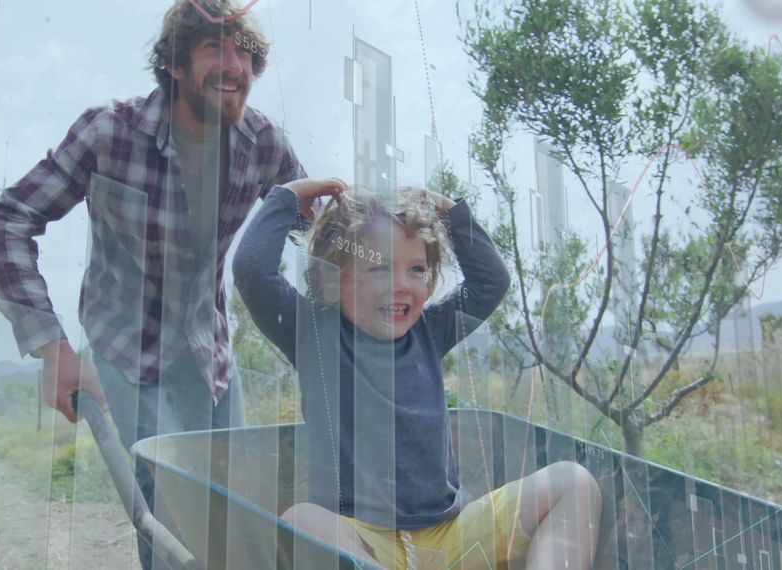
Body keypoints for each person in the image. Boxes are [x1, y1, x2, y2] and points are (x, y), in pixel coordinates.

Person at [0, 1, 304, 567]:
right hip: (127, 350)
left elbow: (317, 226)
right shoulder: (108, 132)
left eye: (245, 53)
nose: (234, 65)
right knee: (170, 512)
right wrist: (52, 347)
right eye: (214, 48)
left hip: (210, 352)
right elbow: (4, 224)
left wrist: (375, 245)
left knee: (236, 507)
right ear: (173, 64)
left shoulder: (264, 143)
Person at [233, 179, 602, 569]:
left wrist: (447, 212)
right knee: (301, 522)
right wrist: (289, 195)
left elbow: (492, 281)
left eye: (416, 269)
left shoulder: (430, 330)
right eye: (378, 268)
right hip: (365, 544)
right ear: (330, 277)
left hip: (453, 534)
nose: (402, 286)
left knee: (574, 483)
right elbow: (252, 270)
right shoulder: (314, 336)